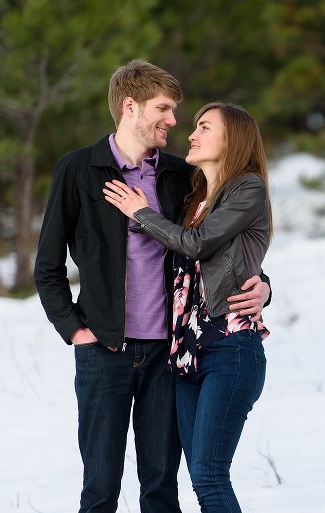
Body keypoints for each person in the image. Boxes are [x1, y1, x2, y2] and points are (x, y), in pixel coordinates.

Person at [34, 60, 271, 513]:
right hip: (104, 348)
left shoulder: (183, 175)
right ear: (130, 106)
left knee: (161, 488)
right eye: (163, 108)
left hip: (171, 352)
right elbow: (47, 266)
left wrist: (263, 287)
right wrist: (76, 330)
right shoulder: (79, 170)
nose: (173, 121)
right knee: (99, 489)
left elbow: (221, 247)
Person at [103, 101, 271, 513]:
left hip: (230, 350)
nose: (191, 134)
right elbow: (207, 267)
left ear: (232, 139)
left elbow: (197, 245)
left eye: (204, 126)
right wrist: (264, 284)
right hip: (186, 356)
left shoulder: (247, 188)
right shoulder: (193, 199)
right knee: (199, 478)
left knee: (211, 476)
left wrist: (140, 213)